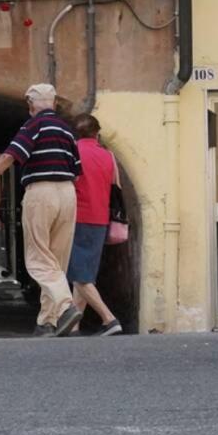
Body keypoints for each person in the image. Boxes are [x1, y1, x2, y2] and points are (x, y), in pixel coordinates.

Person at [0, 83, 83, 337]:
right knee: (56, 262)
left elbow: (9, 156)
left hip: (41, 192)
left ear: (31, 106)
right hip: (67, 192)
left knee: (37, 258)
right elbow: (77, 171)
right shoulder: (67, 130)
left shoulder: (33, 126)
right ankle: (47, 322)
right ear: (54, 104)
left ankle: (66, 306)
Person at [67, 114, 123, 336]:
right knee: (85, 273)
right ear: (97, 133)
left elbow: (68, 184)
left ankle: (109, 319)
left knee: (78, 275)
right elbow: (115, 187)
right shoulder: (108, 156)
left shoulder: (72, 153)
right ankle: (73, 327)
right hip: (100, 220)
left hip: (77, 217)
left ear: (75, 134)